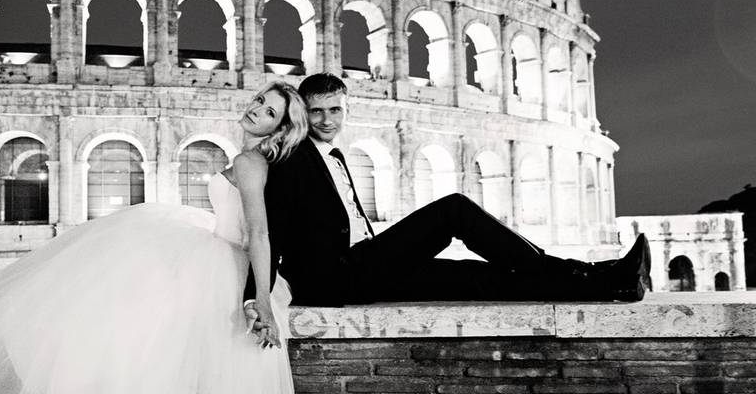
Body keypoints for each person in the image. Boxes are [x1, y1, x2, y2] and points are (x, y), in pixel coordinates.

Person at [0, 80, 309, 394]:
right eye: (260, 100)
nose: (257, 109)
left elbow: (259, 232)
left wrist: (260, 301)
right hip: (212, 249)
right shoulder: (253, 159)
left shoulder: (249, 162)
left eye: (270, 112)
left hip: (223, 262)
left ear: (279, 129)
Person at [244, 73, 651, 313]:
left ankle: (607, 283)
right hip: (340, 277)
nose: (327, 120)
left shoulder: (331, 155)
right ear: (303, 114)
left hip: (368, 268)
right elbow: (269, 230)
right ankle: (581, 271)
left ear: (347, 110)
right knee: (453, 211)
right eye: (317, 111)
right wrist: (256, 295)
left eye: (336, 110)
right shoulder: (293, 159)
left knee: (475, 278)